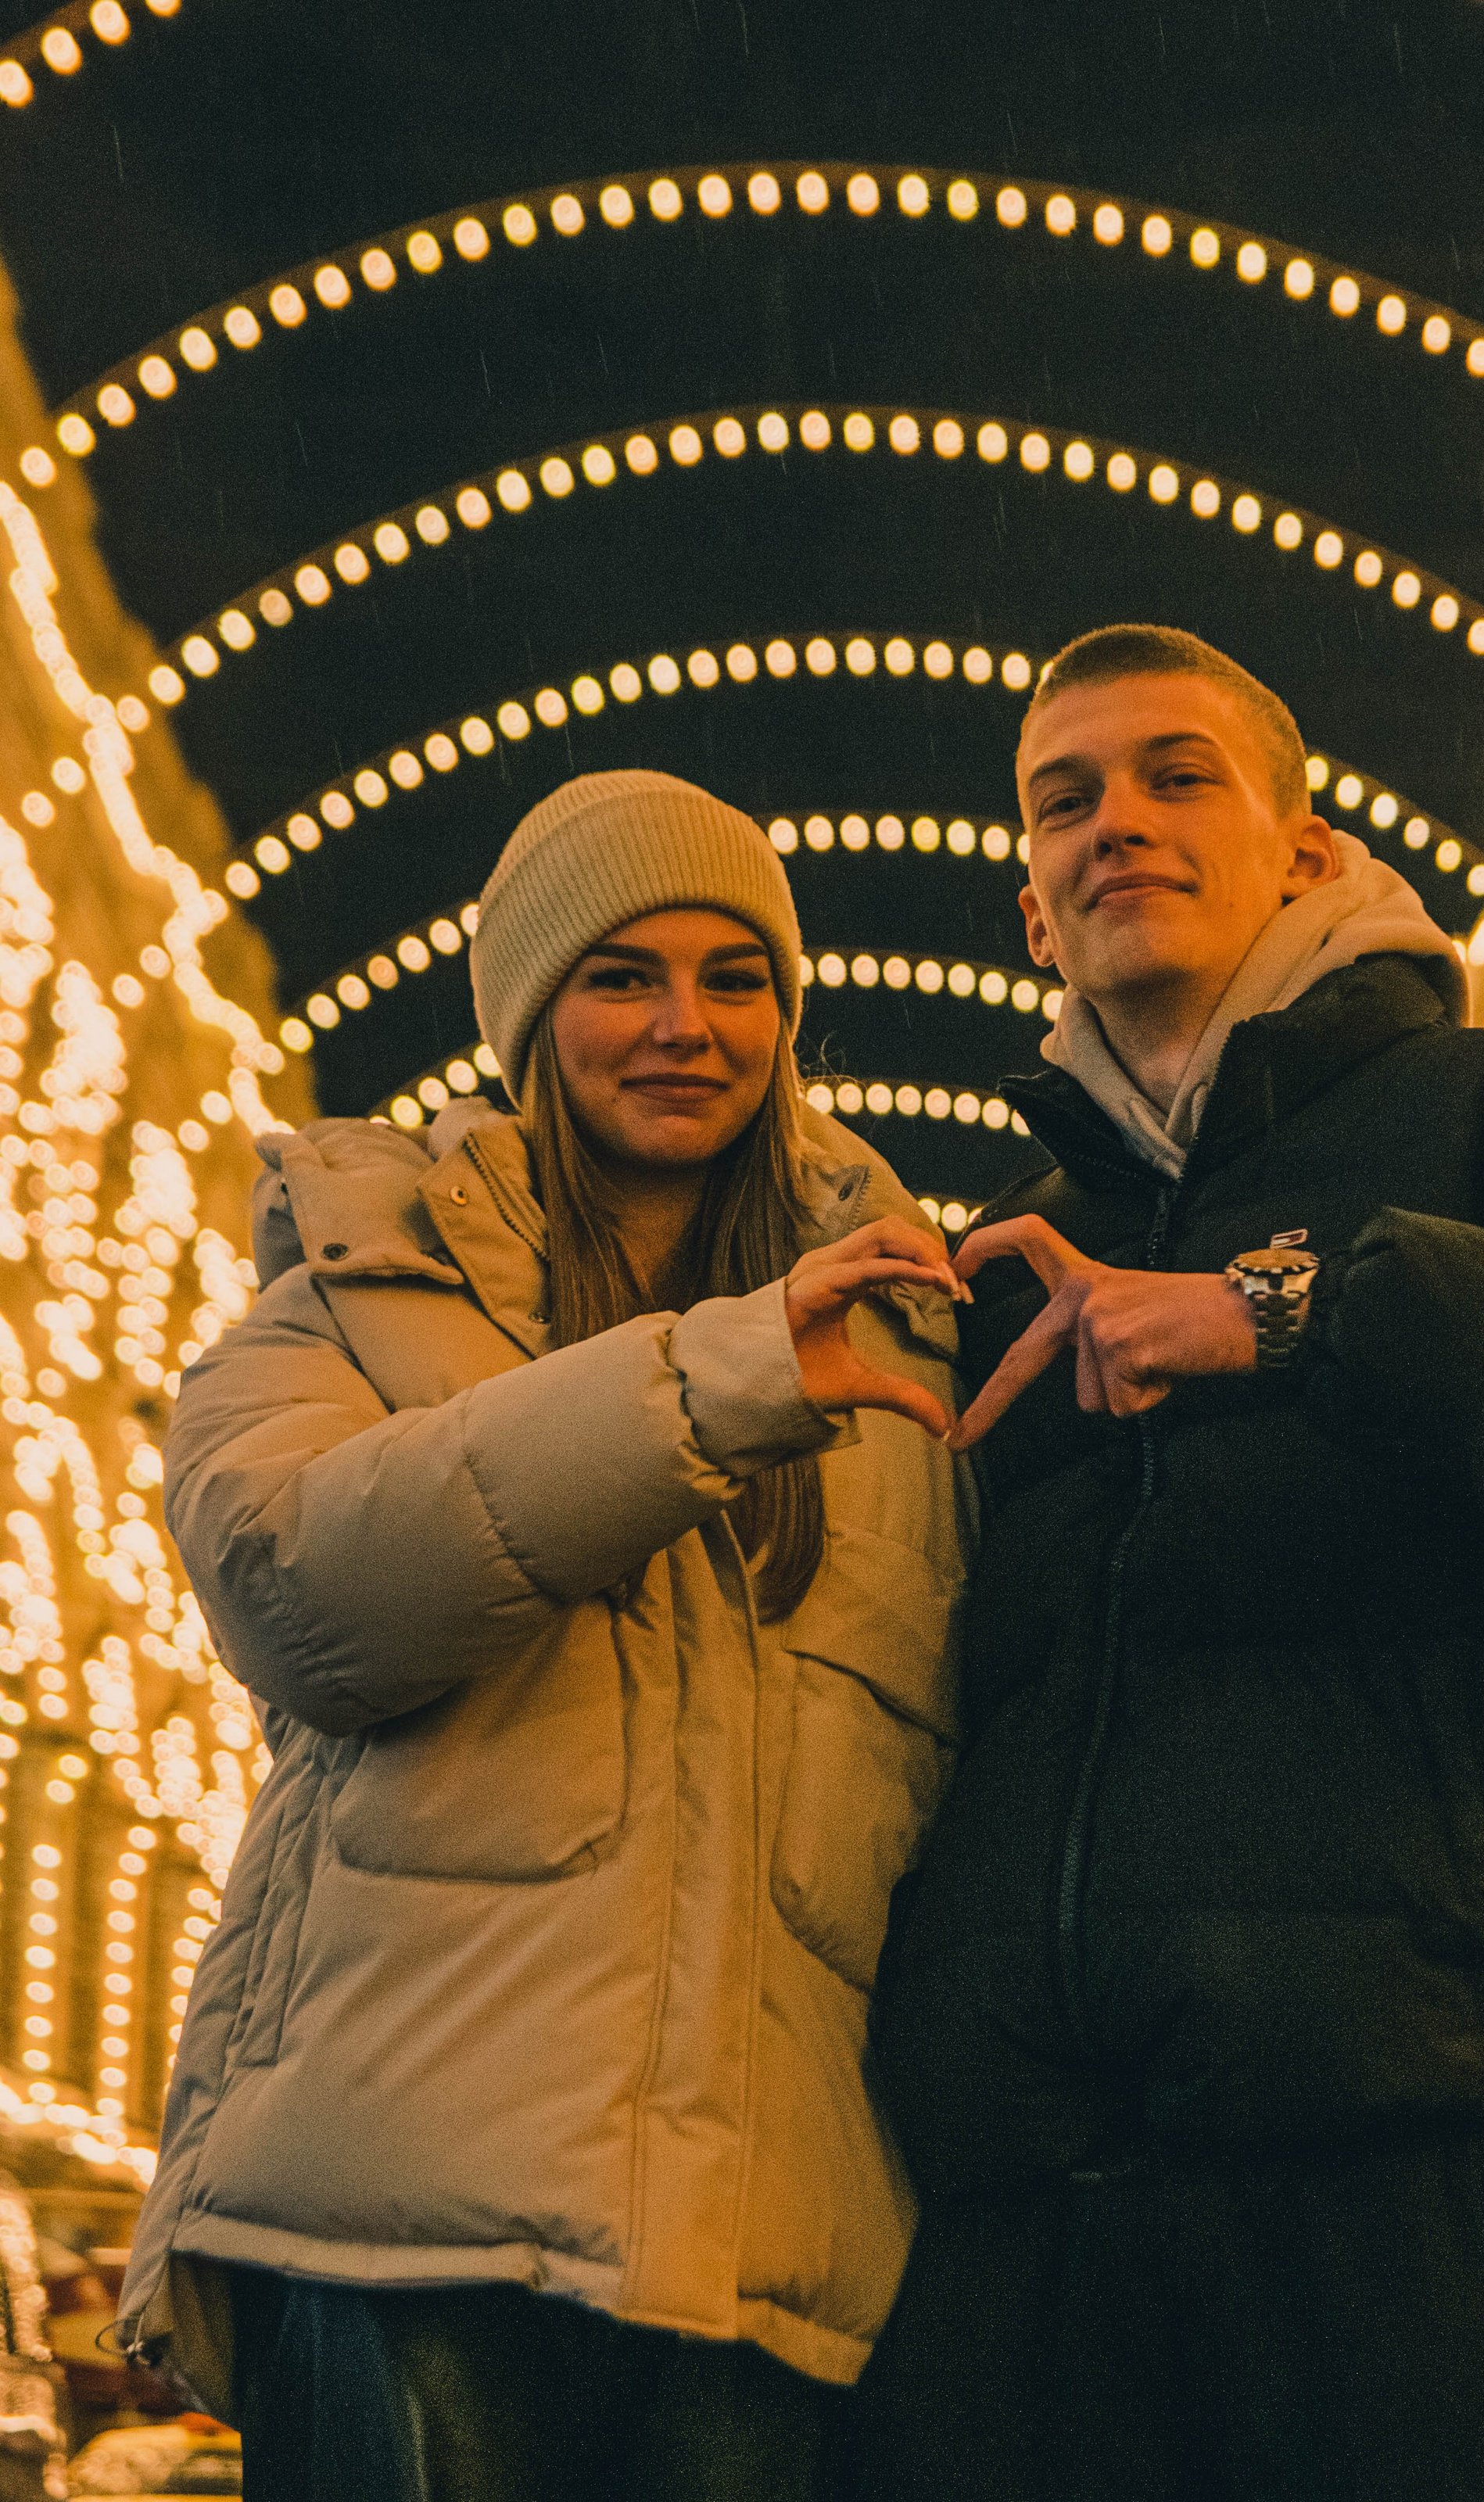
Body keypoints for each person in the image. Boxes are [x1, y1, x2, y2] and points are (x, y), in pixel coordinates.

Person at [859, 627, 1484, 2501]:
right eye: (1064, 800)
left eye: (1176, 775)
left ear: (1308, 850)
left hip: (1371, 2198)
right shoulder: (1000, 1250)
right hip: (1015, 2225)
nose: (1116, 823)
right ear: (1028, 911)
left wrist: (1302, 1308)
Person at [113, 771, 971, 2501]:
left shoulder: (901, 1359)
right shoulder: (358, 1287)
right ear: (526, 1017)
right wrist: (715, 1380)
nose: (684, 1026)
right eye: (619, 976)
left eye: (736, 978)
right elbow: (299, 1594)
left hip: (754, 2273)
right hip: (408, 2239)